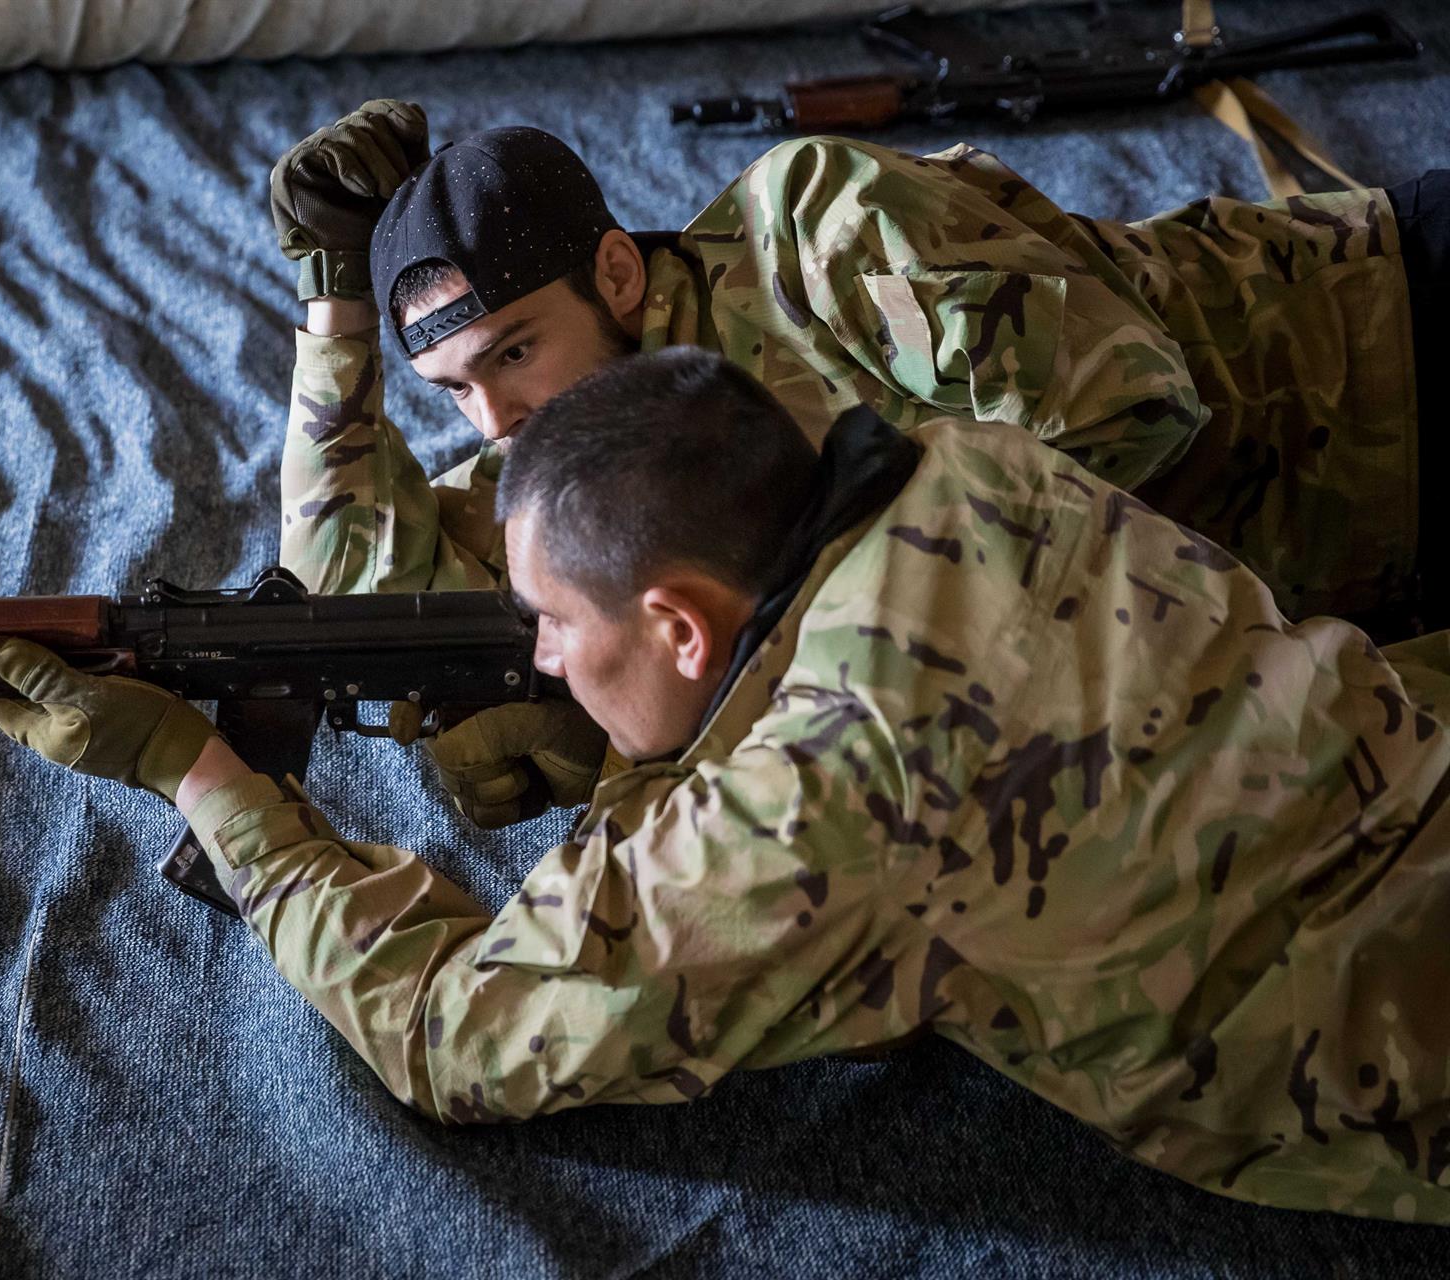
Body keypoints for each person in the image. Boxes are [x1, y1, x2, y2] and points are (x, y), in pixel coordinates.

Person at [0, 348, 1450, 1223]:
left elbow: (453, 1035)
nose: (544, 661)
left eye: (558, 625)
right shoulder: (974, 463)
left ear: (680, 620)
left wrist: (200, 769)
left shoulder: (812, 810)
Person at [268, 103, 1446, 825]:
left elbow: (1128, 411)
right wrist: (335, 318)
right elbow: (352, 599)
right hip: (1350, 604)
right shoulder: (570, 458)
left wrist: (735, 692)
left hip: (1390, 342)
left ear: (618, 276)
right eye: (457, 389)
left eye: (514, 353)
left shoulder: (814, 230)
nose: (493, 423)